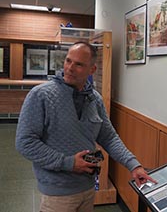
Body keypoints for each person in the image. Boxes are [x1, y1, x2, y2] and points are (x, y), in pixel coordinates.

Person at [16, 42, 156, 212]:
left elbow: (109, 137)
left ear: (92, 69)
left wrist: (134, 166)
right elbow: (25, 142)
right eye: (68, 61)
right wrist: (68, 163)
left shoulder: (94, 99)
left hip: (88, 188)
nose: (70, 68)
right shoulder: (41, 95)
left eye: (79, 64)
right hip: (57, 194)